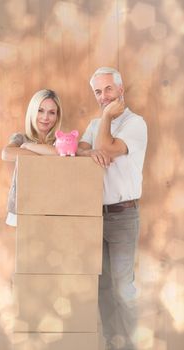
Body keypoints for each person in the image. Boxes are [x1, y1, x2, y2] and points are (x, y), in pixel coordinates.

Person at [77, 67, 147, 350]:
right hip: (95, 217)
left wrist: (105, 117)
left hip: (122, 215)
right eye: (97, 91)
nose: (103, 96)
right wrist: (87, 151)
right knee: (104, 288)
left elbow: (105, 147)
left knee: (123, 288)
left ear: (121, 90)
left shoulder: (135, 124)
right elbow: (76, 151)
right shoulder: (94, 126)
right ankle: (112, 345)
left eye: (107, 89)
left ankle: (131, 345)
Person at [1, 89, 62, 227]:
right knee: (28, 247)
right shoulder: (20, 138)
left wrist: (28, 147)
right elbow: (7, 153)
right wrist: (45, 154)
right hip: (25, 204)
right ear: (32, 111)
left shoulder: (59, 141)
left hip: (52, 204)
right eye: (40, 110)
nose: (45, 117)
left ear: (57, 116)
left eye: (52, 112)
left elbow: (58, 152)